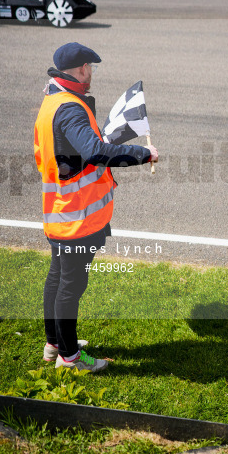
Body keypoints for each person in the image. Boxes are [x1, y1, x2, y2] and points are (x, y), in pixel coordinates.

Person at [34, 42, 159, 372]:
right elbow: (94, 152)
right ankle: (70, 357)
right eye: (91, 67)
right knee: (71, 287)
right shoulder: (71, 108)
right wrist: (143, 154)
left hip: (59, 209)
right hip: (78, 217)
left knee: (58, 278)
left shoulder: (53, 99)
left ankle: (54, 343)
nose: (92, 74)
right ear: (81, 70)